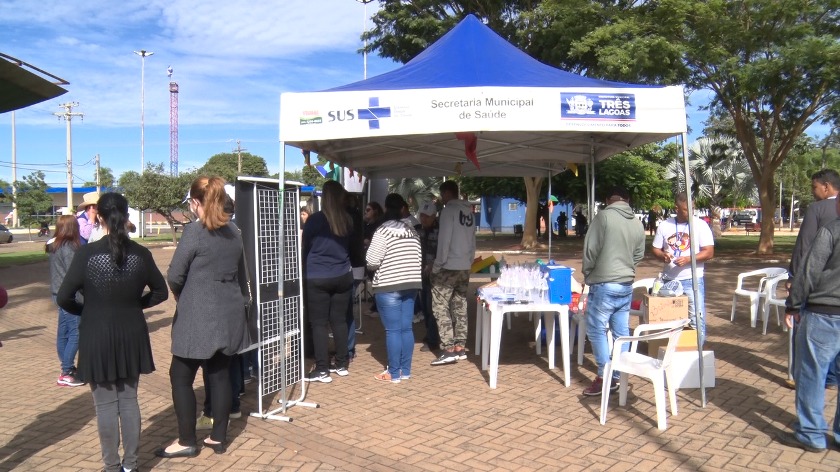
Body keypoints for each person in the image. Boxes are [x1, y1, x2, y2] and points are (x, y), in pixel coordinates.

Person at [57, 192, 168, 472]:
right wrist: (136, 305)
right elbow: (160, 292)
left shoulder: (87, 254)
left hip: (97, 333)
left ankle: (112, 466)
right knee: (128, 400)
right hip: (131, 331)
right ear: (127, 215)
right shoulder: (141, 254)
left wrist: (88, 309)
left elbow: (64, 297)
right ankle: (130, 465)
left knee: (105, 404)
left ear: (100, 217)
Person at [159, 176, 250, 458]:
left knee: (180, 376)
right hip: (229, 312)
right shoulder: (234, 231)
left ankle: (187, 440)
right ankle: (217, 438)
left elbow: (175, 275)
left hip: (198, 315)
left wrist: (180, 294)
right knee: (220, 375)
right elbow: (242, 275)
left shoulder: (194, 232)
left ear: (196, 202)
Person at [778, 194, 840, 453]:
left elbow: (809, 270)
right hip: (827, 311)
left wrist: (793, 304)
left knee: (812, 375)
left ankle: (811, 434)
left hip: (824, 312)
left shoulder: (832, 230)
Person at [581, 186, 645, 396]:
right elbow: (639, 254)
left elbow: (591, 249)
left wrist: (588, 273)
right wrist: (626, 268)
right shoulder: (637, 222)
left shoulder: (604, 217)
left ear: (609, 199)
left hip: (604, 283)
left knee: (596, 330)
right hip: (626, 283)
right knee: (621, 333)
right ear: (626, 199)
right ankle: (617, 375)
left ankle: (604, 375)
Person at [785, 168, 840, 389]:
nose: (813, 191)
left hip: (818, 289)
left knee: (804, 332)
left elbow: (805, 247)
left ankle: (802, 377)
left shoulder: (817, 209)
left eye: (815, 187)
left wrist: (793, 277)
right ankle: (832, 378)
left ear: (826, 186)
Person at [302, 179, 354, 383]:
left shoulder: (315, 220)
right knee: (339, 320)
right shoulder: (347, 220)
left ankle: (322, 368)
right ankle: (341, 363)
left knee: (319, 324)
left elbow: (305, 247)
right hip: (342, 274)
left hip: (318, 275)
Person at [367, 193, 422, 383]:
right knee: (406, 329)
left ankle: (393, 372)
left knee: (393, 330)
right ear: (401, 210)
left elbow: (372, 261)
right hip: (412, 283)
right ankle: (405, 371)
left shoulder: (383, 230)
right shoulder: (411, 230)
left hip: (389, 284)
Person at [651, 193, 715, 346]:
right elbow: (655, 249)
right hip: (668, 280)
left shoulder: (700, 225)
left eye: (692, 209)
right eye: (686, 209)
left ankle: (697, 350)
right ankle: (669, 350)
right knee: (668, 319)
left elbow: (709, 252)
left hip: (692, 279)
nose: (690, 212)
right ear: (676, 208)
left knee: (696, 318)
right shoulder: (665, 225)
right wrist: (663, 256)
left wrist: (688, 259)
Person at [429, 181, 476, 365]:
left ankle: (448, 349)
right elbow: (472, 239)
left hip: (448, 265)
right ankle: (460, 347)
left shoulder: (448, 211)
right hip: (464, 265)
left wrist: (436, 266)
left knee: (440, 306)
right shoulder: (468, 211)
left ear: (446, 194)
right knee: (460, 305)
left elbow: (444, 241)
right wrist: (469, 261)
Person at [47, 214, 83, 387]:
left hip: (57, 293)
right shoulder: (69, 247)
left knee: (64, 333)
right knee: (76, 332)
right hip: (70, 295)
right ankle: (66, 371)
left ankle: (67, 368)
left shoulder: (54, 245)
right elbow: (73, 274)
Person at [417, 201, 440, 351]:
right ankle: (429, 334)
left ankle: (433, 341)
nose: (424, 219)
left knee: (433, 308)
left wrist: (433, 265)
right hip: (420, 275)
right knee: (425, 307)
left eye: (427, 216)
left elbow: (443, 252)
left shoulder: (441, 231)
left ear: (434, 216)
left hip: (435, 275)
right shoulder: (417, 230)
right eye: (422, 216)